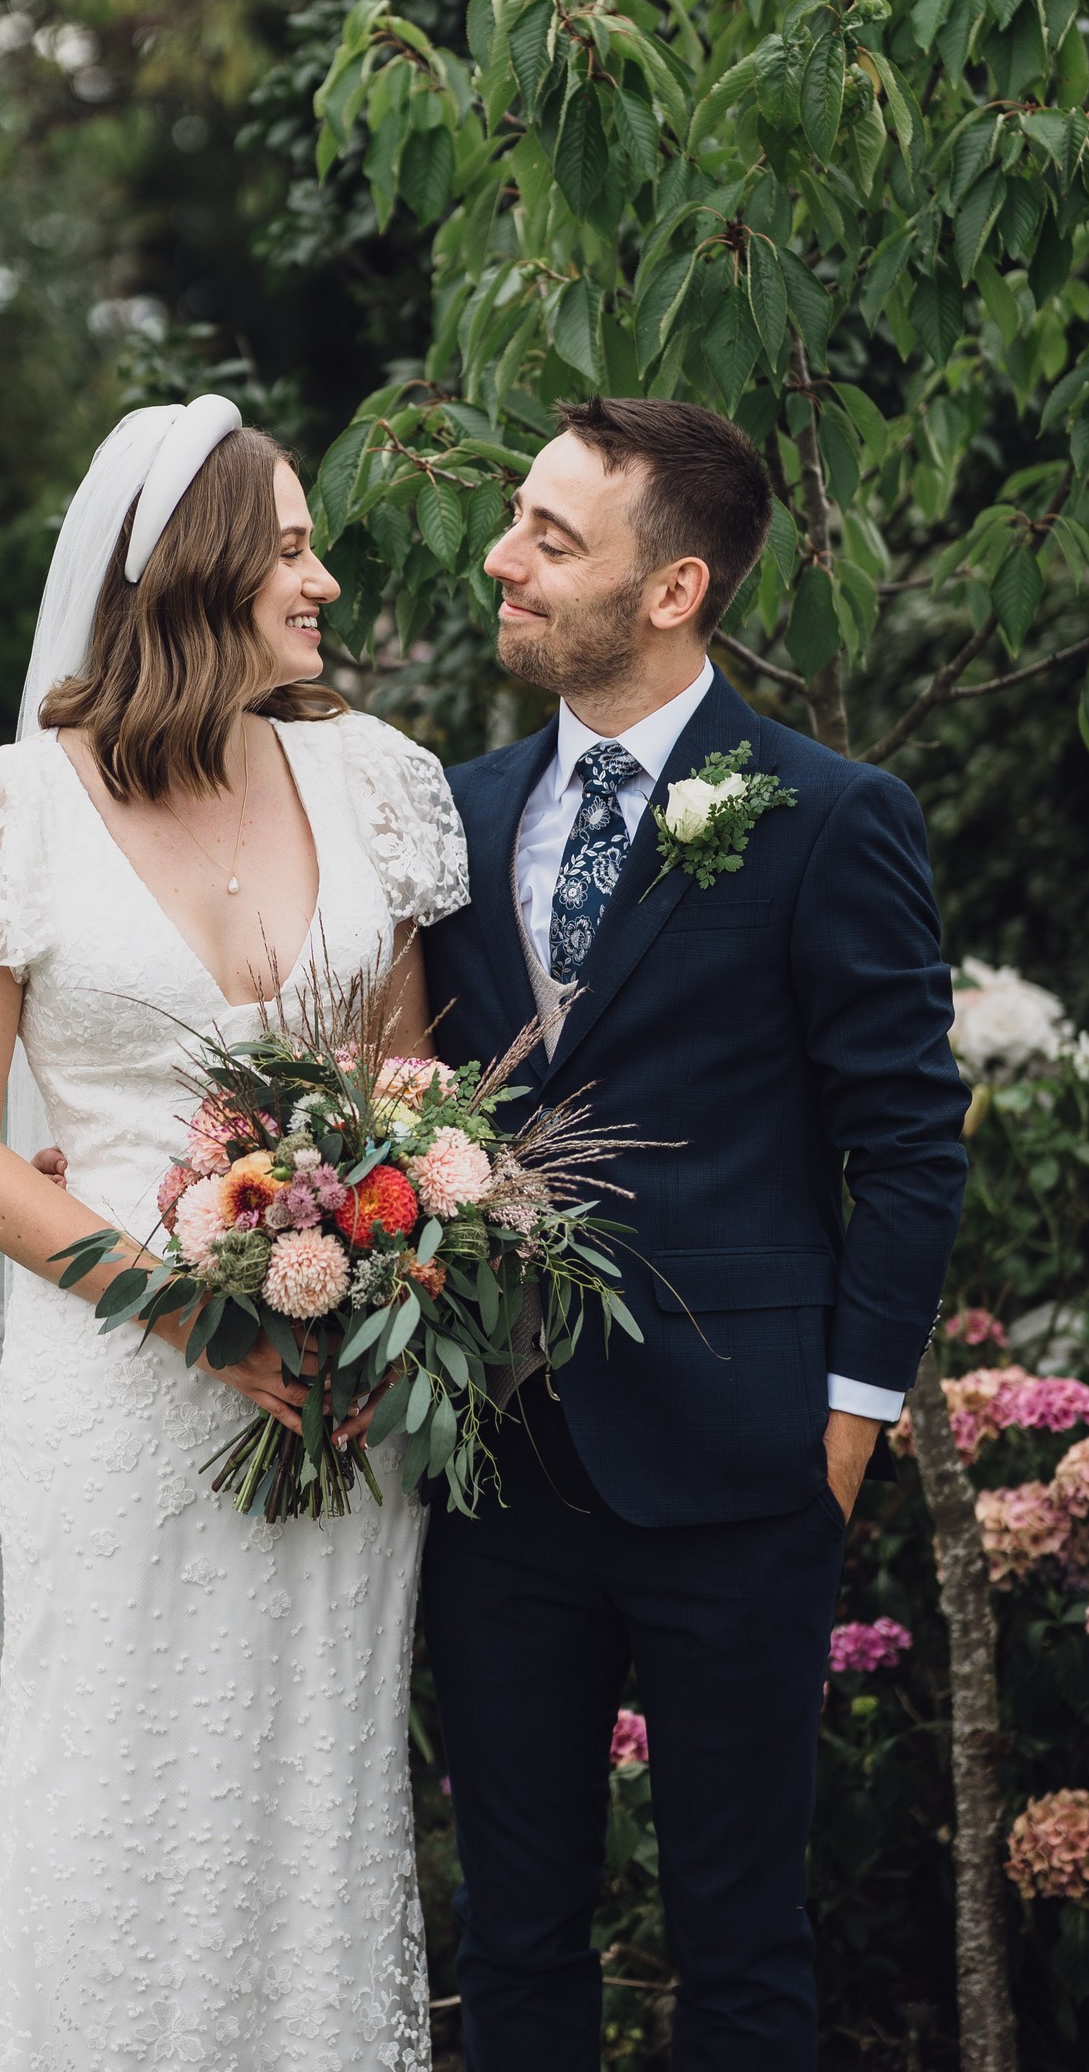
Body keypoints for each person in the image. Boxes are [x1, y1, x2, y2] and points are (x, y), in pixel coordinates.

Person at [0, 396, 468, 2072]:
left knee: (309, 1781)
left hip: (333, 1374)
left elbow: (403, 1077)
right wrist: (192, 1313)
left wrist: (384, 1258)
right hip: (118, 1381)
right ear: (195, 577)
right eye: (294, 549)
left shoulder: (376, 781)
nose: (323, 583)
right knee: (105, 1780)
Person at [419, 395, 969, 2072]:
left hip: (743, 1476)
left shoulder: (825, 815)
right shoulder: (450, 811)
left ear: (674, 591)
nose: (501, 560)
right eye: (517, 519)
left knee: (741, 1945)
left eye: (553, 540)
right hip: (500, 1470)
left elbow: (911, 1140)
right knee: (512, 1935)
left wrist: (850, 1426)